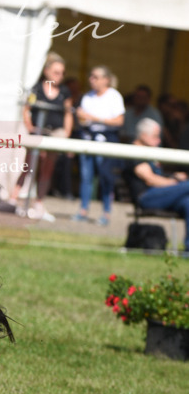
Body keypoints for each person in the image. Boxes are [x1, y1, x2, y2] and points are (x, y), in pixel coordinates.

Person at [10, 53, 73, 221]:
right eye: (56, 72)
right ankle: (14, 198)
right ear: (47, 71)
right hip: (38, 131)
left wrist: (66, 134)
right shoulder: (36, 89)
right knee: (29, 165)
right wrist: (30, 127)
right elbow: (26, 110)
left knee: (47, 168)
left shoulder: (64, 92)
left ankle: (39, 203)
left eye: (62, 73)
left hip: (55, 132)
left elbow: (68, 114)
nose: (59, 76)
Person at [126, 118, 189, 255]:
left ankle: (188, 251)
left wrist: (173, 177)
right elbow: (150, 179)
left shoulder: (151, 151)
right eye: (155, 137)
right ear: (143, 135)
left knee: (188, 203)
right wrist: (176, 183)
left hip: (160, 195)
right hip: (146, 197)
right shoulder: (134, 151)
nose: (159, 141)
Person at [73, 65, 125, 226]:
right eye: (91, 76)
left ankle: (106, 212)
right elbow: (83, 119)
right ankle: (83, 209)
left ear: (106, 80)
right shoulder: (88, 96)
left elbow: (119, 121)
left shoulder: (114, 96)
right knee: (86, 176)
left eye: (95, 77)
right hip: (88, 138)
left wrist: (93, 118)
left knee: (105, 177)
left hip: (106, 139)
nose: (91, 80)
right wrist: (81, 117)